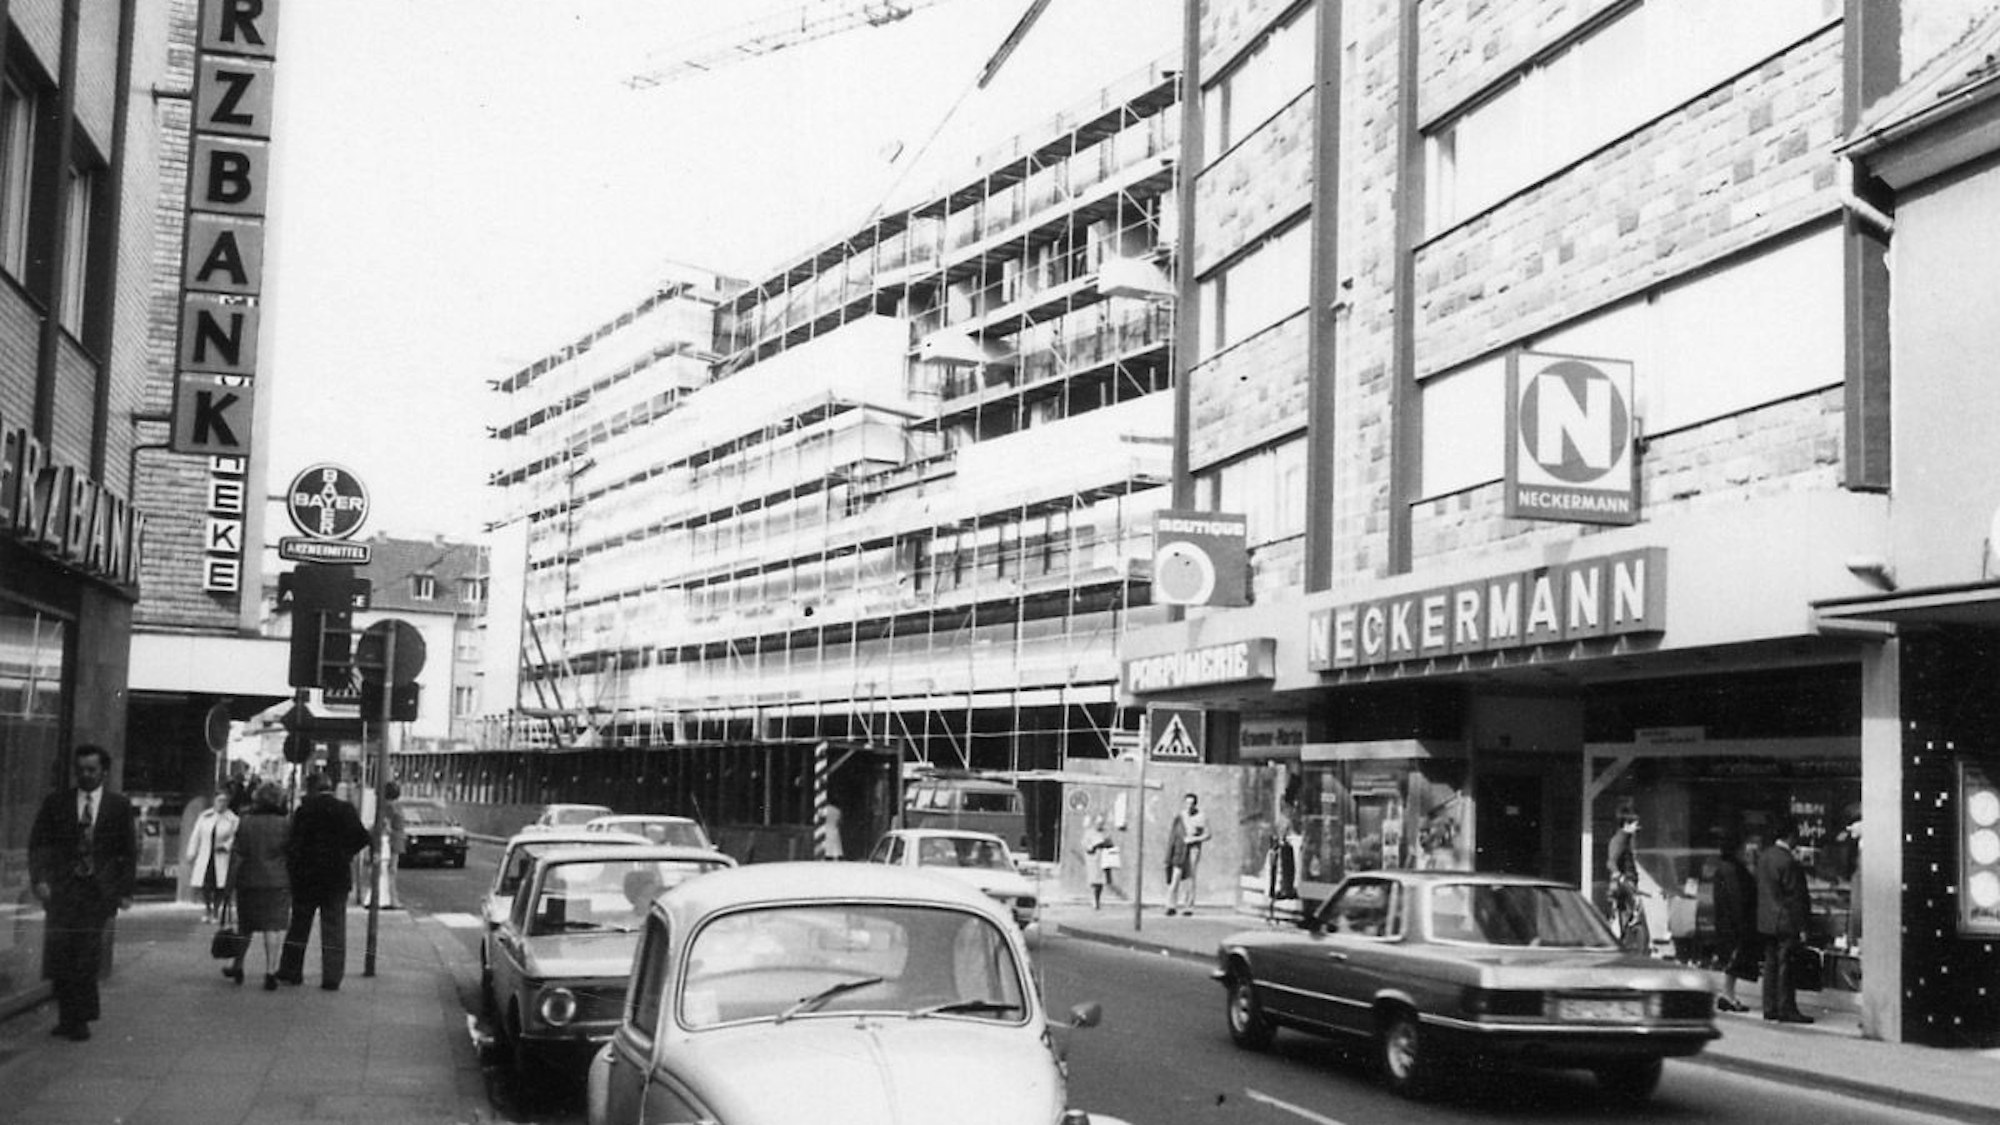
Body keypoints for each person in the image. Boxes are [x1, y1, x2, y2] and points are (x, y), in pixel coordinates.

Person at [27, 744, 139, 1041]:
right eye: (80, 770)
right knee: (61, 954)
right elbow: (39, 843)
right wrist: (39, 878)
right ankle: (69, 1017)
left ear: (104, 771)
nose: (85, 775)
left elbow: (127, 851)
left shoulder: (118, 806)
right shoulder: (57, 803)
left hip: (97, 892)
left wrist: (125, 890)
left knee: (86, 955)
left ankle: (81, 1019)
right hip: (62, 891)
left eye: (91, 770)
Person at [277, 771, 374, 991]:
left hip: (306, 877)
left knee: (299, 926)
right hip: (336, 877)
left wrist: (295, 865)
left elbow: (293, 843)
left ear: (311, 788)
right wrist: (345, 853)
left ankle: (291, 971)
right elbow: (362, 838)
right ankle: (332, 977)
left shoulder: (304, 811)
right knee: (334, 928)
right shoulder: (345, 810)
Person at [228, 782, 292, 989]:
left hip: (249, 880)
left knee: (245, 926)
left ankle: (238, 965)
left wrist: (230, 882)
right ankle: (270, 971)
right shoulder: (285, 824)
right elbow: (290, 853)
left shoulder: (245, 822)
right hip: (277, 881)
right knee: (272, 928)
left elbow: (237, 853)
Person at [1756, 817, 1815, 1023]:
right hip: (1786, 919)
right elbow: (1795, 896)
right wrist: (1803, 926)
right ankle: (1786, 1008)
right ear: (1790, 836)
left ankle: (1769, 1006)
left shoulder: (1764, 857)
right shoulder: (1788, 861)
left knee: (1771, 963)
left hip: (1766, 919)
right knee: (1786, 966)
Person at [1711, 831, 1762, 1013]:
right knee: (1733, 960)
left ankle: (1728, 995)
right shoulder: (1732, 869)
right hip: (1735, 923)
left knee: (1731, 962)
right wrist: (1742, 924)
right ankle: (1728, 995)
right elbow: (1737, 898)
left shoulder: (1725, 868)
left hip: (1727, 921)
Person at [185, 789, 239, 923]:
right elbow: (196, 836)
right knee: (205, 884)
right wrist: (191, 852)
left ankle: (216, 911)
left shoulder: (233, 819)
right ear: (214, 801)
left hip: (222, 857)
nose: (222, 803)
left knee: (219, 885)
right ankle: (207, 909)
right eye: (219, 800)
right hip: (206, 855)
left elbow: (235, 837)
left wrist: (226, 846)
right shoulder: (205, 816)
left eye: (225, 801)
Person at [1605, 811, 1645, 950]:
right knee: (1630, 911)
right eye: (1635, 825)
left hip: (1627, 882)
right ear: (1626, 825)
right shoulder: (1620, 840)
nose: (1637, 829)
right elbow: (1611, 862)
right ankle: (1619, 941)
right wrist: (1620, 876)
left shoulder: (1626, 839)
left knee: (1627, 913)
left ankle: (1623, 938)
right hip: (1624, 883)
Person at [1164, 793, 1209, 916]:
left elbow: (1208, 834)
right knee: (1176, 876)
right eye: (1187, 803)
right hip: (1180, 849)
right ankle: (1171, 905)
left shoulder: (1201, 817)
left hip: (1193, 849)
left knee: (1190, 877)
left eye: (1192, 803)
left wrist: (1194, 839)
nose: (1189, 806)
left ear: (1195, 804)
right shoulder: (1180, 816)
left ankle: (1188, 907)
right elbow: (1173, 834)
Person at [379, 780, 407, 908]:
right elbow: (387, 824)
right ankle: (392, 899)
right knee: (391, 870)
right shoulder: (393, 807)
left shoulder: (389, 806)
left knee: (390, 870)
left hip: (394, 839)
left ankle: (390, 898)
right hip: (394, 840)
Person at [1082, 815, 1117, 910]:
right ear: (1094, 823)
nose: (1099, 825)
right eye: (1098, 823)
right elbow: (1085, 844)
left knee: (1101, 882)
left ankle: (1098, 899)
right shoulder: (1089, 832)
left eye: (1101, 823)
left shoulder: (1105, 832)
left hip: (1103, 859)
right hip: (1093, 858)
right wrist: (1092, 845)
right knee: (1094, 881)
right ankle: (1094, 900)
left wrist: (1106, 843)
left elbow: (1111, 843)